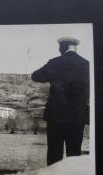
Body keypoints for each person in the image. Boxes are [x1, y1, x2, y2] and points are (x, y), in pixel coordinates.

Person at [31, 37, 89, 165]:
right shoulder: (86, 64)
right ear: (75, 47)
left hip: (56, 116)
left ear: (63, 47)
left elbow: (35, 76)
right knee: (74, 154)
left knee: (54, 153)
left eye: (59, 48)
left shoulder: (54, 63)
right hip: (77, 118)